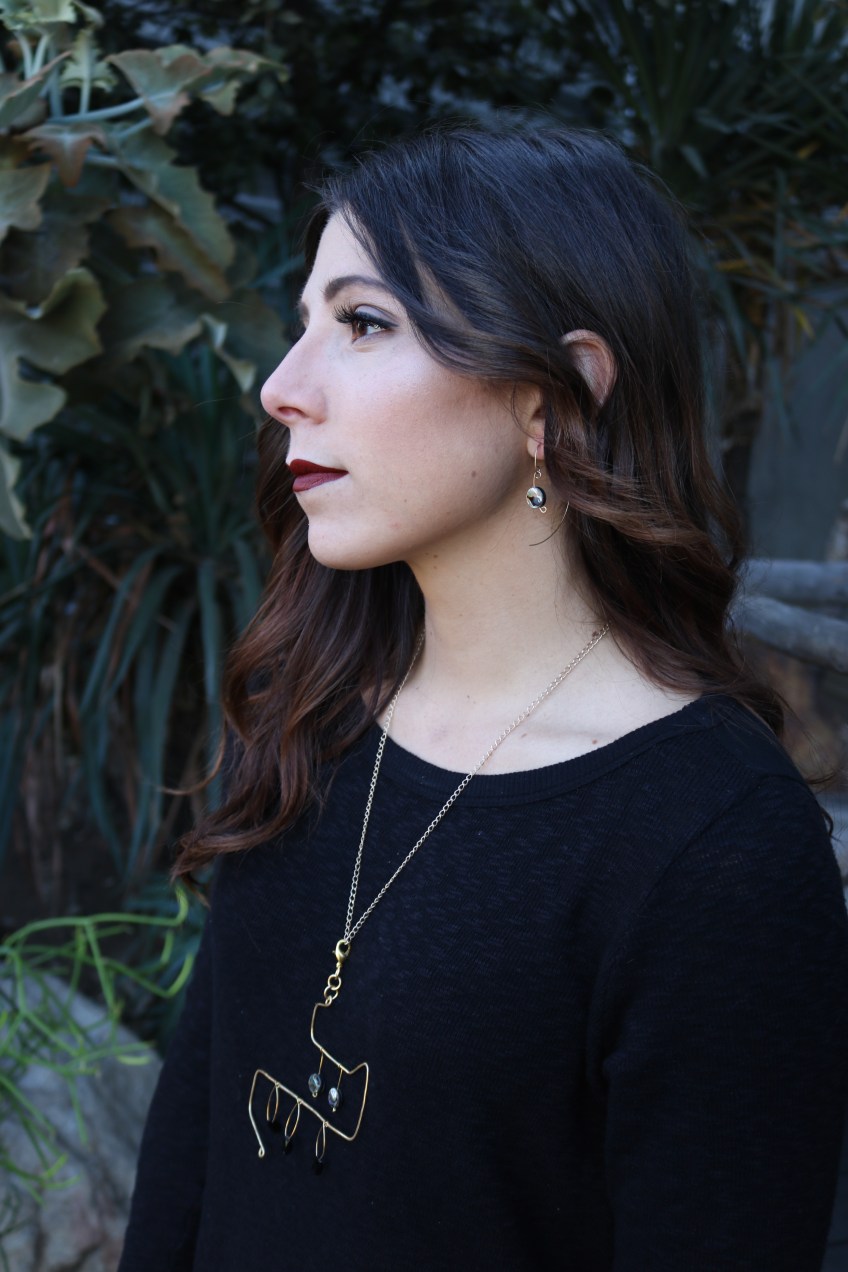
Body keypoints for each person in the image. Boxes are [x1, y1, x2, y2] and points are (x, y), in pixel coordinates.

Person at [118, 121, 848, 1272]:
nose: (281, 389)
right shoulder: (319, 708)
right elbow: (191, 1153)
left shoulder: (714, 845)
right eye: (303, 323)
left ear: (555, 394)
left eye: (363, 323)